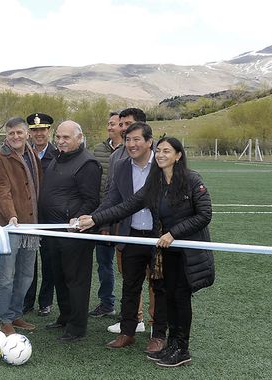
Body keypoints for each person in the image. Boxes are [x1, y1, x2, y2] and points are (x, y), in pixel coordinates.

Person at [78, 136, 214, 367]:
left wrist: (174, 234)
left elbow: (204, 214)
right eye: (159, 150)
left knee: (181, 300)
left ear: (178, 156)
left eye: (167, 151)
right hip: (166, 252)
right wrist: (94, 219)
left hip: (187, 252)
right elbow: (127, 206)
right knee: (170, 297)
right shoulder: (156, 183)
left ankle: (182, 349)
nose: (161, 155)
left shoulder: (192, 180)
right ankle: (172, 345)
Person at [94, 122, 167, 353]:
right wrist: (96, 219)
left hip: (160, 237)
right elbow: (111, 199)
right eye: (127, 140)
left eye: (137, 139)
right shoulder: (122, 167)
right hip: (131, 235)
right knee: (130, 285)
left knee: (160, 287)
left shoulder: (163, 164)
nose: (131, 144)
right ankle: (128, 332)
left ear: (149, 141)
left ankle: (158, 335)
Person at [39, 120, 101, 342]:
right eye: (58, 137)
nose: (61, 141)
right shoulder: (58, 157)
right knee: (59, 276)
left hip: (74, 234)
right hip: (53, 231)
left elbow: (91, 199)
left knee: (76, 280)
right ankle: (65, 316)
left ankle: (77, 327)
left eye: (66, 137)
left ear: (79, 138)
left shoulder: (88, 163)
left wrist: (75, 221)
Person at [0, 117, 42, 335]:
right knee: (7, 277)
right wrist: (11, 216)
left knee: (26, 275)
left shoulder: (31, 154)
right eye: (11, 133)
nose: (15, 137)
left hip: (31, 228)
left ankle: (16, 313)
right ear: (6, 135)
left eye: (19, 132)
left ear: (27, 133)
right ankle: (5, 320)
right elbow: (1, 192)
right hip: (11, 228)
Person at [23, 112, 58, 317]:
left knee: (49, 260)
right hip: (28, 215)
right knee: (28, 260)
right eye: (35, 130)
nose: (39, 134)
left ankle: (45, 301)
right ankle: (27, 301)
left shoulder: (57, 154)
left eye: (42, 130)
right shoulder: (23, 154)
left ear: (48, 131)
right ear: (30, 132)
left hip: (48, 215)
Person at [89, 112, 122, 318]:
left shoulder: (130, 149)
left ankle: (133, 311)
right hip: (100, 214)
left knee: (128, 265)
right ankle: (107, 303)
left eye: (114, 124)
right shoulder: (99, 149)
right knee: (103, 262)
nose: (110, 127)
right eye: (108, 123)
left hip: (122, 215)